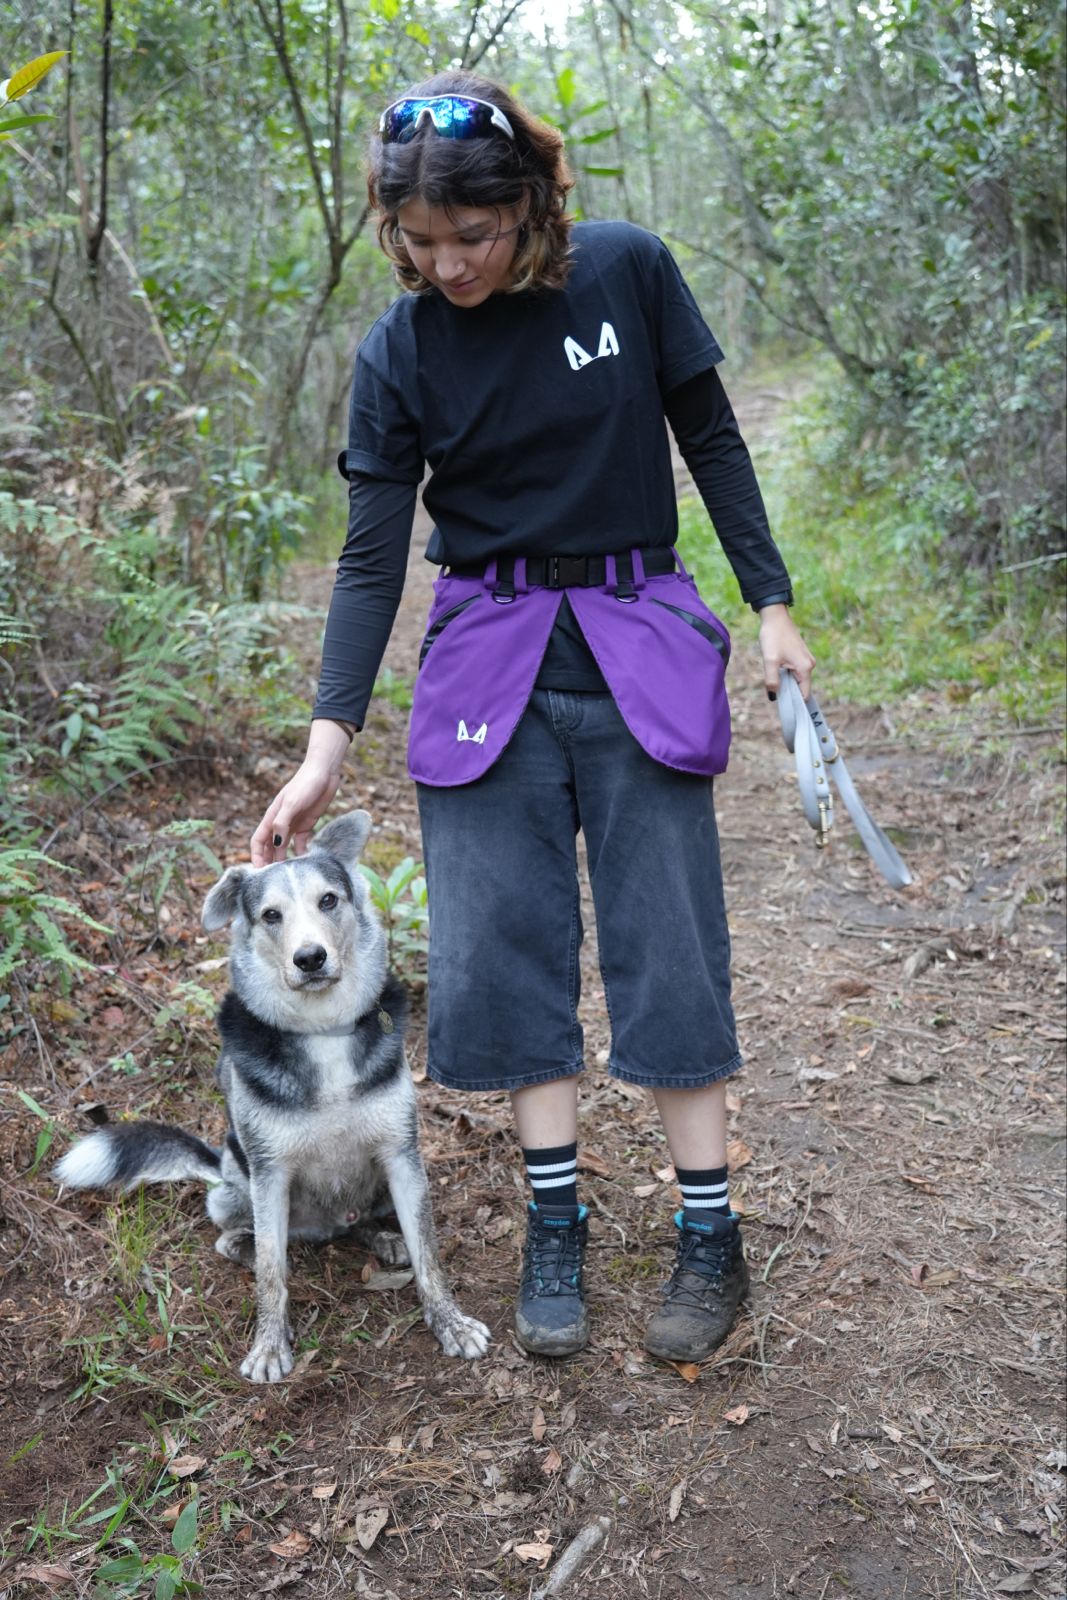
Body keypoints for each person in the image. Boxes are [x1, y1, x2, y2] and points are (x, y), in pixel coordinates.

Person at [251, 70, 816, 1362]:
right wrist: (324, 748)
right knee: (505, 954)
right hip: (484, 668)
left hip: (636, 646)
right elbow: (370, 559)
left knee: (670, 948)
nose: (449, 264)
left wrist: (774, 604)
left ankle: (707, 1232)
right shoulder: (398, 351)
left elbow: (713, 441)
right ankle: (554, 1220)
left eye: (477, 235)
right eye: (421, 241)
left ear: (536, 204)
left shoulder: (626, 272)